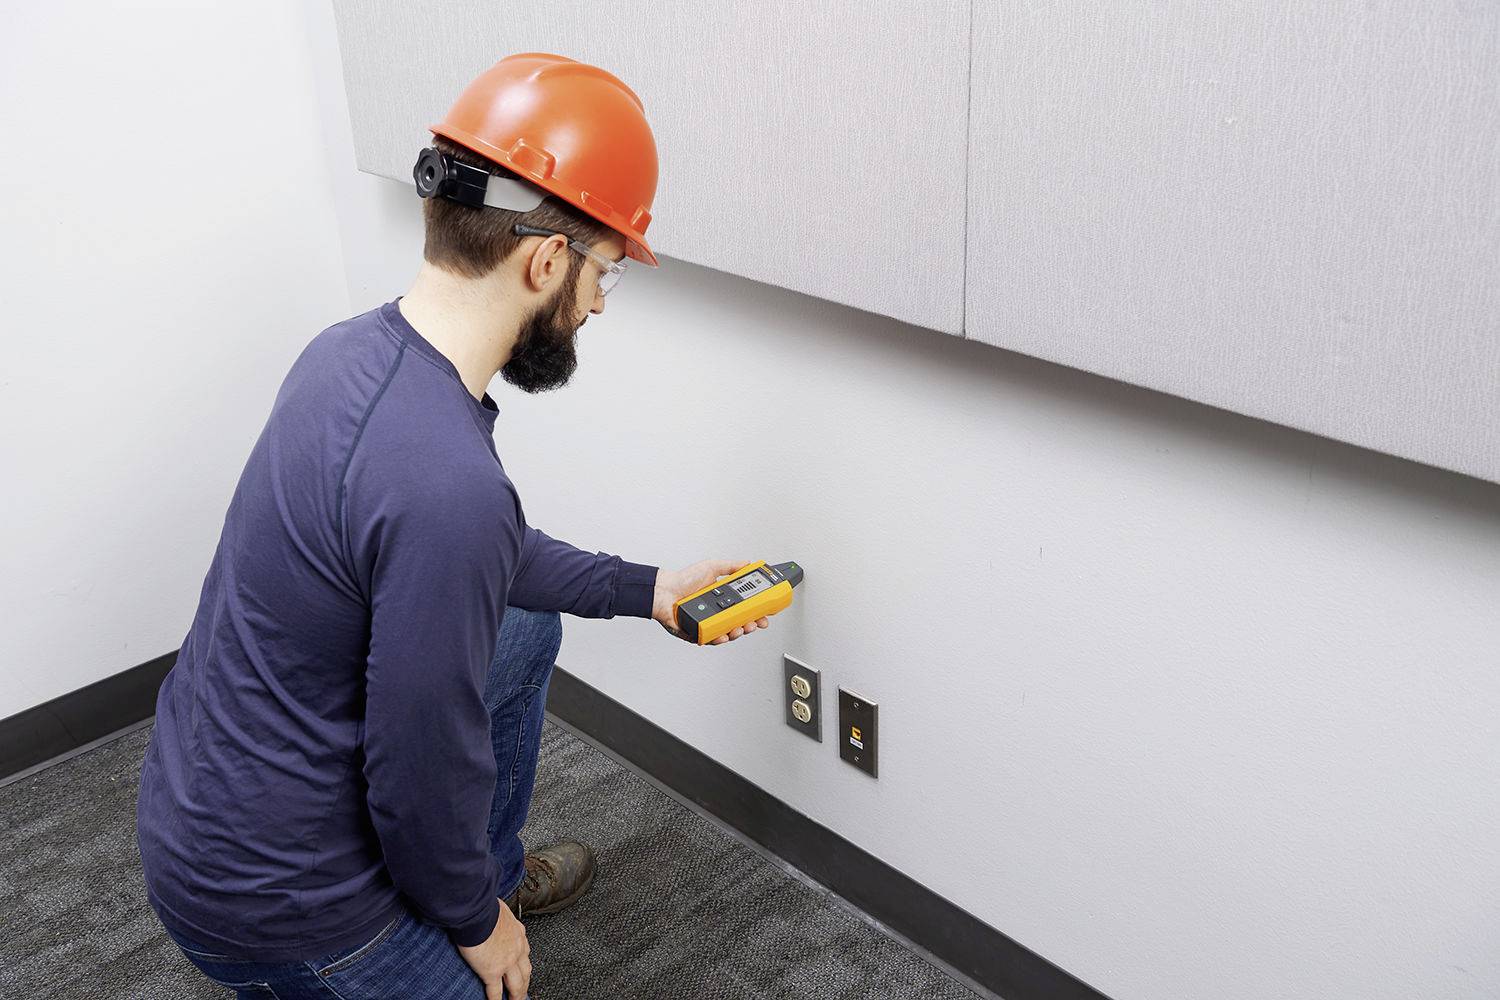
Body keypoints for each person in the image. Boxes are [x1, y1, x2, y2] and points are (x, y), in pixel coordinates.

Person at [136, 53, 773, 1000]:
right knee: (490, 968)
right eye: (604, 270)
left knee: (520, 627)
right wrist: (477, 925)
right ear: (546, 259)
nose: (598, 301)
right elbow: (414, 773)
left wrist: (648, 590)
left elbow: (473, 558)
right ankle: (473, 908)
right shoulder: (449, 486)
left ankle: (486, 881)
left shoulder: (349, 352)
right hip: (282, 907)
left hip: (199, 815)